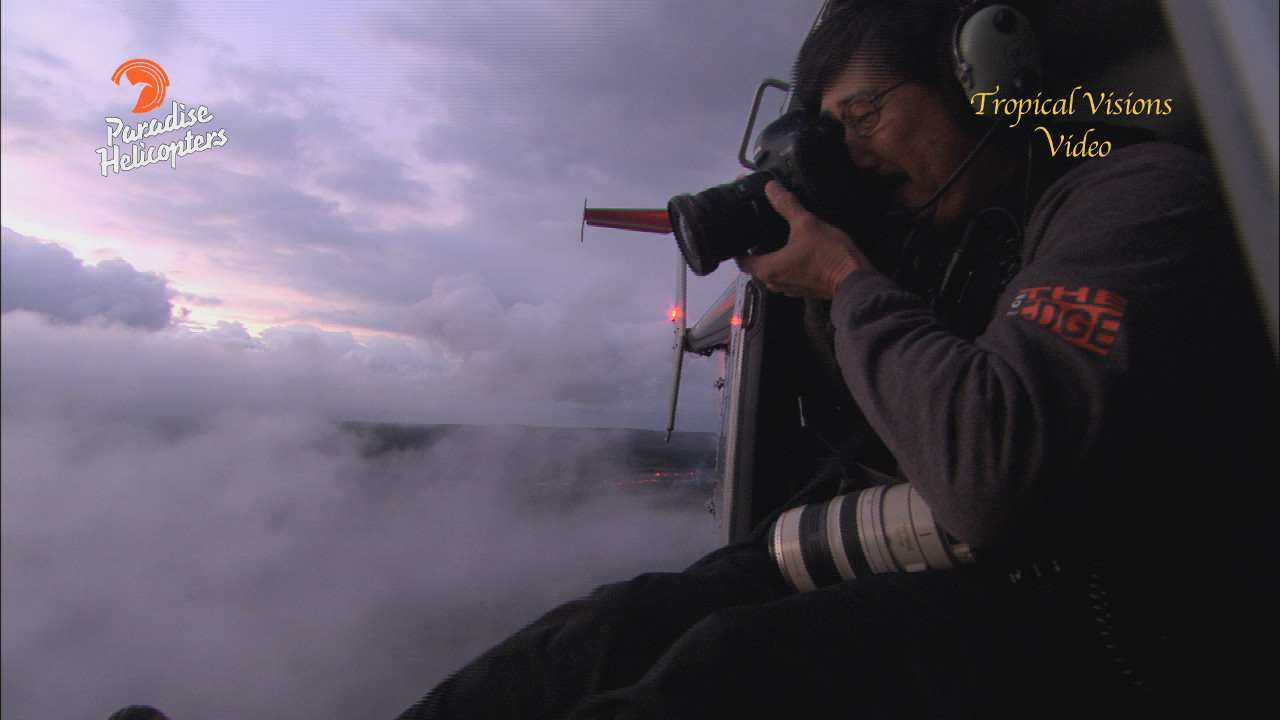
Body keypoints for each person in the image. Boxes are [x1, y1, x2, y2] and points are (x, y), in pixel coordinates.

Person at [394, 2, 1278, 718]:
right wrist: (831, 264)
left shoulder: (1138, 191)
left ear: (979, 77)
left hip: (1139, 608)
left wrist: (848, 280)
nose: (853, 151)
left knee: (738, 669)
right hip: (976, 551)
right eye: (832, 133)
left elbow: (993, 478)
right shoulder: (953, 244)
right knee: (606, 633)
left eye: (866, 114)